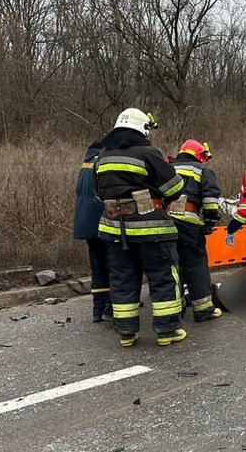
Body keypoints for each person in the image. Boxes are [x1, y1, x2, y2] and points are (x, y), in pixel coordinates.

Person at [94, 108, 187, 348]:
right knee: (163, 277)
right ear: (142, 128)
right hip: (152, 230)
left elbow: (98, 193)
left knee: (123, 279)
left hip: (115, 230)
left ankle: (127, 333)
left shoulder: (102, 155)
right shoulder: (147, 152)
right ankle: (167, 330)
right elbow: (174, 188)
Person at [168, 139, 222, 322]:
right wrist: (209, 223)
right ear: (199, 155)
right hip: (189, 224)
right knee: (195, 265)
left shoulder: (165, 167)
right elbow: (210, 201)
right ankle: (203, 309)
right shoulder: (203, 170)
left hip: (164, 222)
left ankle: (175, 309)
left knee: (170, 267)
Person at [73, 139, 112, 322]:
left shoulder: (86, 163)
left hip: (85, 222)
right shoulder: (103, 162)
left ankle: (98, 308)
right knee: (114, 265)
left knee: (98, 266)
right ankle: (112, 307)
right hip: (101, 221)